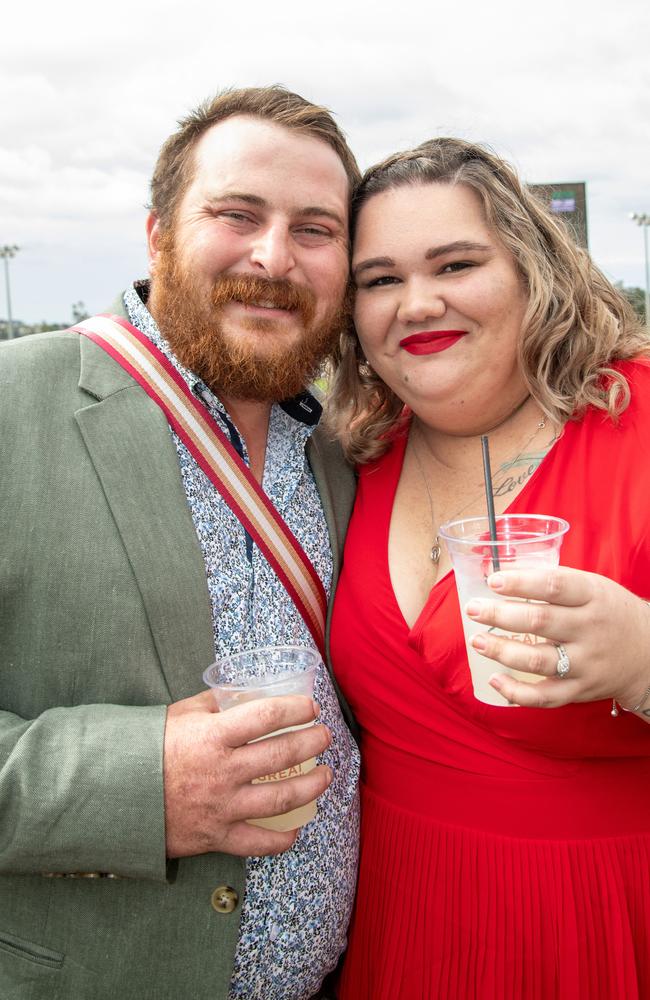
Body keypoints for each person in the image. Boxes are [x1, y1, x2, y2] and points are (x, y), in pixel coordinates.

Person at [0, 86, 361, 1000]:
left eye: (315, 229)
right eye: (237, 214)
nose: (274, 256)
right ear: (158, 232)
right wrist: (135, 782)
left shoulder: (345, 453)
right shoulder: (14, 406)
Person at [327, 137, 650, 999]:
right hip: (405, 924)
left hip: (606, 920)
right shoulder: (348, 459)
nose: (416, 302)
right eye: (380, 279)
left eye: (457, 263)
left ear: (532, 271)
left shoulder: (641, 420)